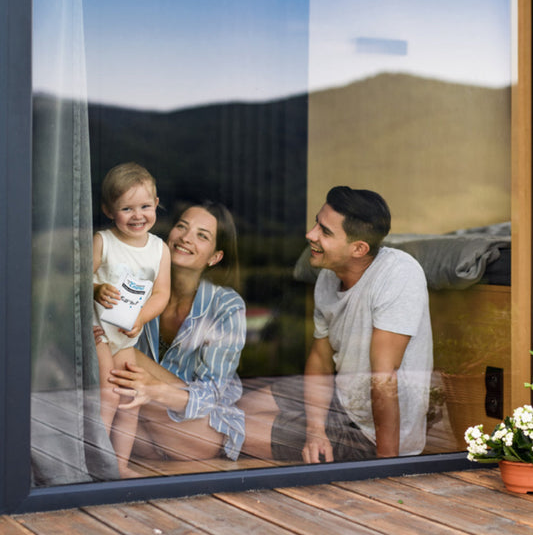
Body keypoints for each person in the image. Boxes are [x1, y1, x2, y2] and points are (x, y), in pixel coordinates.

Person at [239, 186, 433, 463]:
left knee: (228, 430)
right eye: (316, 222)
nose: (310, 235)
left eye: (325, 232)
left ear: (358, 249)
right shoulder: (328, 276)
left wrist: (387, 468)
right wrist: (315, 430)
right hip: (340, 398)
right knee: (239, 410)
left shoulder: (399, 274)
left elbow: (384, 379)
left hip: (370, 434)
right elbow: (320, 358)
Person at [100, 201, 246, 467]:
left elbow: (211, 395)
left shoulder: (226, 306)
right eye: (182, 226)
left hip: (198, 430)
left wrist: (154, 390)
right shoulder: (137, 282)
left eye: (202, 236)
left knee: (123, 350)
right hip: (141, 423)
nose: (186, 238)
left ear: (215, 257)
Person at [93, 162, 171, 477]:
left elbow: (161, 294)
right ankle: (94, 464)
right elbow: (78, 279)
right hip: (97, 330)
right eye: (127, 208)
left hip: (125, 335)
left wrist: (141, 318)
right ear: (109, 210)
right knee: (108, 393)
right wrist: (96, 289)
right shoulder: (104, 241)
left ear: (156, 205)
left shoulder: (159, 249)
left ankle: (120, 466)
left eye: (144, 206)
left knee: (130, 397)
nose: (137, 215)